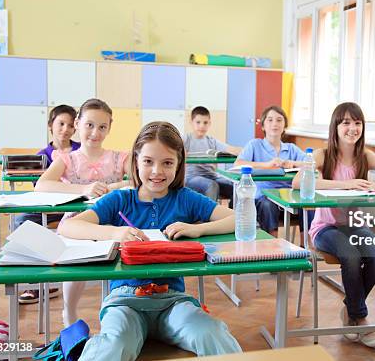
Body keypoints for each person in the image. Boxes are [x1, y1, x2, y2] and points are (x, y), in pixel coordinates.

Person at [59, 121, 242, 359]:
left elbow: (238, 219)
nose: (157, 171)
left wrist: (198, 229)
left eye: (167, 163)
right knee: (112, 346)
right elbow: (69, 225)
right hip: (125, 301)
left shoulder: (185, 199)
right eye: (148, 162)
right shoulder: (120, 200)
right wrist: (116, 233)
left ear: (178, 165)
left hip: (172, 301)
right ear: (135, 161)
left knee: (212, 332)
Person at [292, 102, 375, 348]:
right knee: (350, 254)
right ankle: (362, 317)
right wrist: (346, 185)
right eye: (346, 122)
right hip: (325, 229)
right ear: (335, 127)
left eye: (357, 123)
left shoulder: (365, 156)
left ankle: (350, 310)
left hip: (355, 226)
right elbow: (298, 182)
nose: (352, 128)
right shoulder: (322, 155)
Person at [36, 98, 131, 327]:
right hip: (77, 223)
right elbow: (42, 184)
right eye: (89, 125)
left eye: (102, 127)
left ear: (109, 128)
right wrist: (83, 189)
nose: (95, 132)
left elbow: (138, 181)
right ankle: (69, 309)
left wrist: (112, 188)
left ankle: (116, 311)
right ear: (77, 123)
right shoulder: (67, 159)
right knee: (73, 259)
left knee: (123, 260)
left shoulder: (119, 158)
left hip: (113, 223)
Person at [16, 104, 81, 304]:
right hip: (52, 208)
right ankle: (42, 282)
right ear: (50, 125)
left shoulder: (81, 150)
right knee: (22, 222)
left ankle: (62, 271)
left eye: (70, 125)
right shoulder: (42, 154)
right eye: (61, 123)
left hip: (77, 206)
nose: (65, 129)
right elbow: (39, 186)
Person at [234, 105, 309, 238]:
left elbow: (310, 163)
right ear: (263, 126)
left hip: (288, 197)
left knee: (307, 204)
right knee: (268, 205)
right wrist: (267, 165)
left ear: (284, 125)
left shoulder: (291, 148)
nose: (275, 123)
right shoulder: (254, 145)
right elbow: (238, 164)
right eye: (270, 120)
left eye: (279, 120)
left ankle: (306, 247)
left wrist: (293, 163)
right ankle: (273, 243)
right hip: (263, 199)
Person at [183, 106, 240, 203]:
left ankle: (232, 216)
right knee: (212, 185)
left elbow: (232, 149)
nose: (201, 126)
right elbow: (173, 150)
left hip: (212, 177)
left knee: (237, 186)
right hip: (192, 178)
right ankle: (211, 217)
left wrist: (251, 150)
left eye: (205, 123)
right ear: (191, 122)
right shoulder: (186, 139)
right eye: (198, 122)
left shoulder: (212, 141)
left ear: (209, 123)